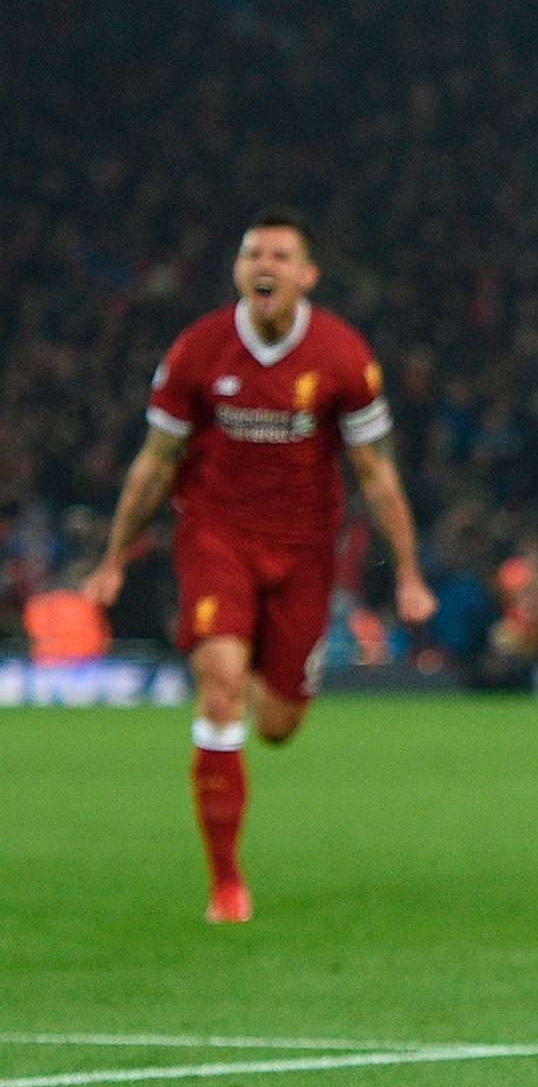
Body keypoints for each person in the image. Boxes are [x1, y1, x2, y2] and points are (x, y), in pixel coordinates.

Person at [83, 209, 436, 923]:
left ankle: (242, 665)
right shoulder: (197, 351)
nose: (264, 265)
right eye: (252, 255)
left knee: (277, 722)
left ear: (307, 276)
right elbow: (156, 464)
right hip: (216, 536)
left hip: (305, 552)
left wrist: (408, 573)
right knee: (219, 690)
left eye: (280, 255)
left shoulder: (341, 356)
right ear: (239, 271)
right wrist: (113, 558)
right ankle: (226, 885)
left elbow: (375, 474)